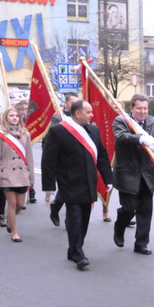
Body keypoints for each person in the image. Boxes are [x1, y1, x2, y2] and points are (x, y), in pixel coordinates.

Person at [42, 100, 113, 271]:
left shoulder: (94, 130)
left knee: (85, 218)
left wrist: (108, 179)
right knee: (75, 218)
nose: (92, 115)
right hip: (69, 182)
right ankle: (78, 253)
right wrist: (49, 185)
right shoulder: (58, 131)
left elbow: (102, 156)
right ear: (77, 113)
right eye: (88, 112)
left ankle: (73, 248)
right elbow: (49, 160)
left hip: (89, 182)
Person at [112, 94, 154, 255]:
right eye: (139, 108)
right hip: (128, 173)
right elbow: (121, 137)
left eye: (145, 108)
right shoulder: (121, 121)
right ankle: (120, 226)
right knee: (129, 208)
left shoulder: (153, 122)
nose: (142, 111)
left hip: (147, 173)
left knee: (145, 210)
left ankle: (141, 243)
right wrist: (140, 138)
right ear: (132, 108)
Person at [0, 108, 35, 243]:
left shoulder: (25, 133)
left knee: (20, 204)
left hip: (22, 173)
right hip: (7, 173)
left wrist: (31, 176)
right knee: (12, 203)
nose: (15, 117)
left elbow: (29, 156)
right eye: (11, 115)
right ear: (6, 117)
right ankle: (14, 232)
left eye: (16, 115)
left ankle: (10, 220)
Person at [47, 93, 80, 225]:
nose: (75, 105)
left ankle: (70, 220)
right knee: (66, 188)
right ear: (65, 103)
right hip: (62, 159)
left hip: (77, 159)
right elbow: (53, 137)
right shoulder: (57, 117)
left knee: (75, 190)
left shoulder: (80, 117)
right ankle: (56, 207)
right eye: (72, 102)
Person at [14, 99, 37, 205]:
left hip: (27, 150)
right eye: (22, 109)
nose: (24, 111)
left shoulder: (31, 120)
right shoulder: (14, 121)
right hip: (16, 151)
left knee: (29, 171)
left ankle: (31, 192)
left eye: (26, 109)